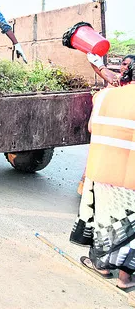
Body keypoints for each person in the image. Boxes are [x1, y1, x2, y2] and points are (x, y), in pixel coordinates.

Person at [70, 60, 135, 292]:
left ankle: (102, 266)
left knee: (105, 221)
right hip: (132, 178)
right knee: (131, 227)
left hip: (103, 170)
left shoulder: (105, 96)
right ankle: (125, 278)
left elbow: (91, 127)